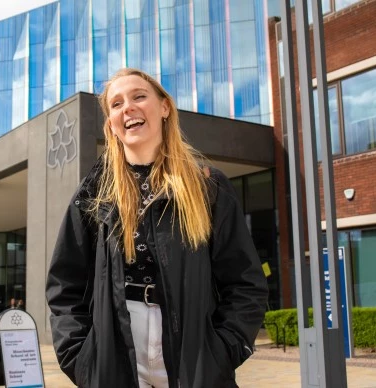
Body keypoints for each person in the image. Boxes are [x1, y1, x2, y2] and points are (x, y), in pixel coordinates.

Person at [46, 68, 268, 388]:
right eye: (117, 104)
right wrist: (81, 358)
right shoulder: (94, 193)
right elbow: (65, 284)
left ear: (164, 107)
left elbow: (245, 281)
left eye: (139, 96)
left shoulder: (207, 186)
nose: (128, 108)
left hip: (192, 352)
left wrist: (224, 349)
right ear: (111, 124)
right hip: (116, 350)